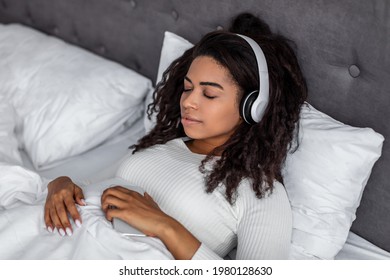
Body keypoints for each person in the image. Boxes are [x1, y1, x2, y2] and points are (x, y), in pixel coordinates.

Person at [44, 13, 308, 260]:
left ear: (252, 107)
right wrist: (60, 183)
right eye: (187, 88)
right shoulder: (161, 145)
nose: (189, 102)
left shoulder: (260, 192)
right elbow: (87, 185)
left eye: (209, 94)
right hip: (54, 240)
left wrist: (165, 226)